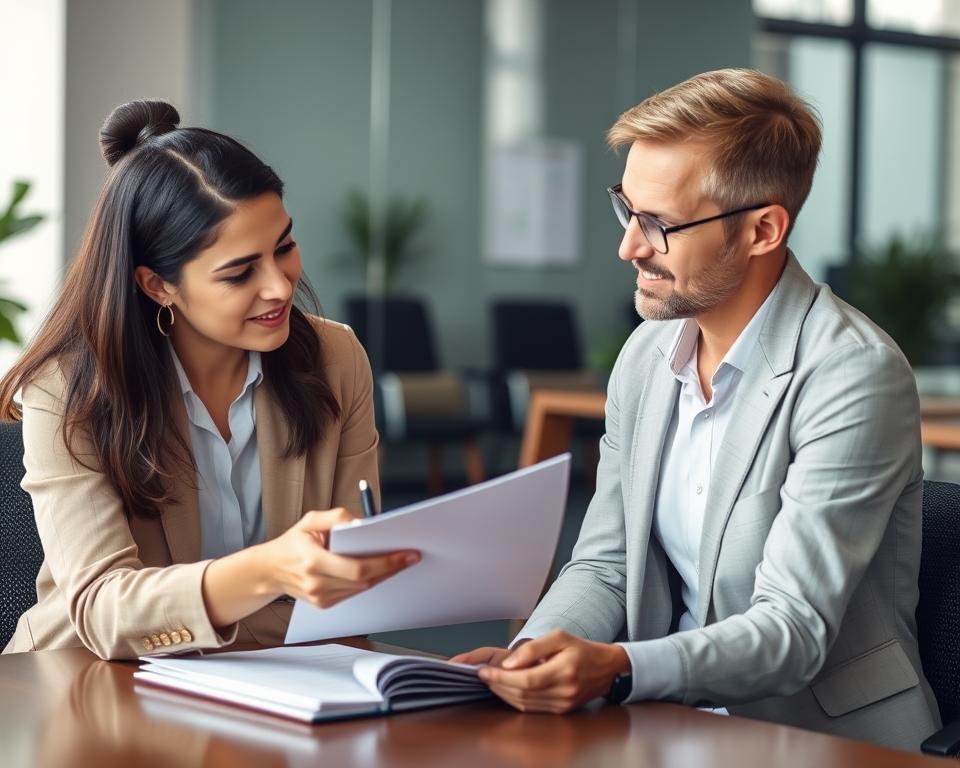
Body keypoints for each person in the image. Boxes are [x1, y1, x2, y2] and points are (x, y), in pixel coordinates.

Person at [453, 69, 940, 750]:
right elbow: (605, 565)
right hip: (672, 723)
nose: (629, 246)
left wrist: (619, 669)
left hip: (826, 740)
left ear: (763, 229)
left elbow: (792, 629)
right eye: (627, 208)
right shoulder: (647, 357)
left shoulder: (853, 374)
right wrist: (531, 655)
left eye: (659, 224)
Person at [1, 100, 419, 660]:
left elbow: (345, 597)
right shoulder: (69, 388)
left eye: (285, 246)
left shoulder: (336, 357)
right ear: (157, 285)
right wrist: (272, 573)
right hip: (87, 689)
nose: (279, 285)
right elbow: (104, 613)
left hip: (276, 682)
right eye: (240, 272)